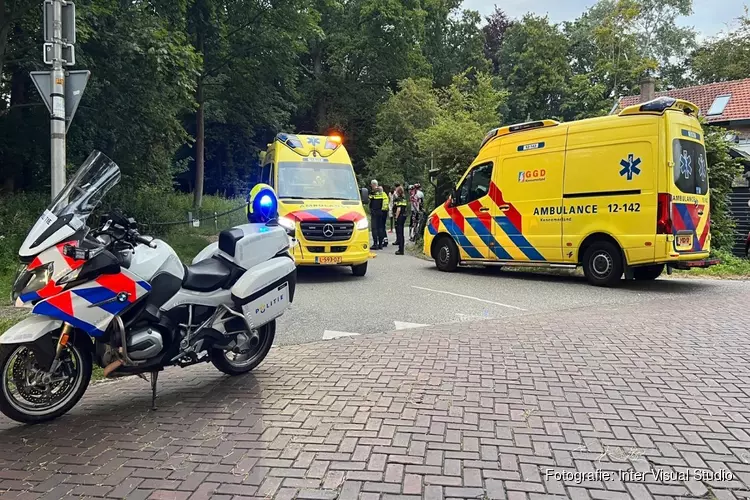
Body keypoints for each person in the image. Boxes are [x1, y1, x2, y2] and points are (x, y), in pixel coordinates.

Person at [368, 180, 385, 249]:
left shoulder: (373, 193)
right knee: (380, 228)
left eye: (371, 185)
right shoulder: (382, 192)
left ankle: (375, 244)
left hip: (374, 212)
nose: (371, 186)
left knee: (374, 228)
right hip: (381, 212)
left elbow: (369, 199)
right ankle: (380, 244)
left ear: (373, 185)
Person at [393, 185, 408, 255]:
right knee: (401, 232)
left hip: (400, 217)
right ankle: (401, 249)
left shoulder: (398, 199)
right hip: (404, 216)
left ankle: (400, 250)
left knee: (399, 233)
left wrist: (396, 217)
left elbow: (398, 209)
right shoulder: (404, 199)